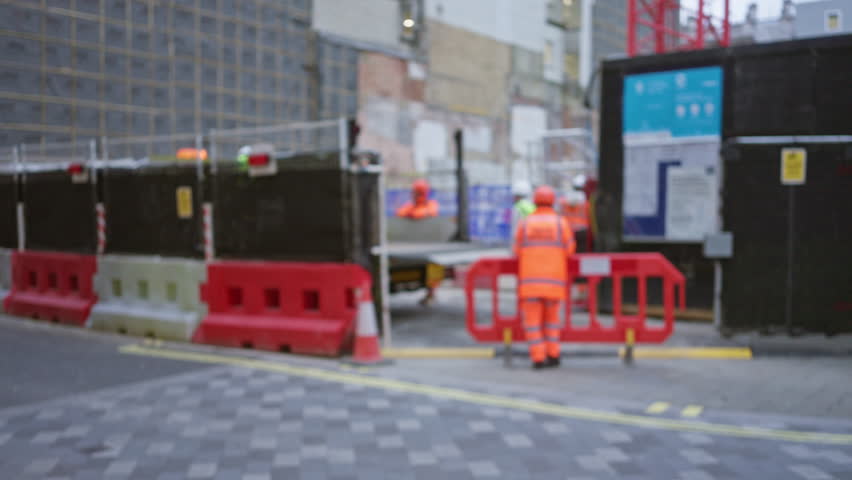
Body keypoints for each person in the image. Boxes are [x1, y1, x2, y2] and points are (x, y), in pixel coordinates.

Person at [513, 185, 576, 369]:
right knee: (552, 322)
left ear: (534, 201)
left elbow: (516, 250)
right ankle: (553, 354)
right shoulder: (560, 223)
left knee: (532, 324)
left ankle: (538, 358)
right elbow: (570, 249)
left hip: (530, 284)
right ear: (553, 201)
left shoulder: (525, 223)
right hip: (554, 284)